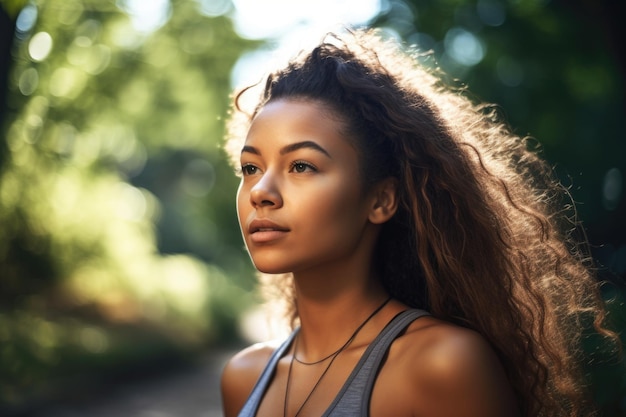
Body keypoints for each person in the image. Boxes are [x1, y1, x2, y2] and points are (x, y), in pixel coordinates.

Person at [220, 28, 616, 417]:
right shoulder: (244, 377)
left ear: (381, 200)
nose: (260, 191)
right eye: (250, 167)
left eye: (301, 165)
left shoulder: (442, 365)